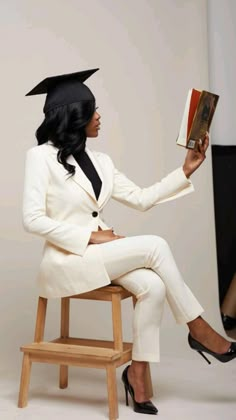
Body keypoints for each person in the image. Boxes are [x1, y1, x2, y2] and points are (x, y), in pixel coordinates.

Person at [23, 68, 236, 415]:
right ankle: (198, 328)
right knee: (155, 245)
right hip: (68, 259)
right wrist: (90, 236)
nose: (99, 116)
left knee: (152, 286)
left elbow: (140, 197)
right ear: (74, 116)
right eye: (93, 111)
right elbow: (32, 219)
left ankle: (136, 375)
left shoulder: (101, 162)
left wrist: (185, 169)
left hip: (101, 256)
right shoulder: (41, 157)